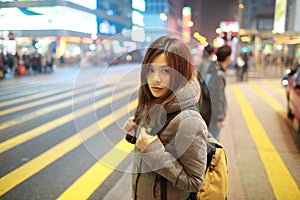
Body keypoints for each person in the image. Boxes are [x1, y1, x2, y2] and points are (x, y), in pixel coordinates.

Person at [123, 36, 208, 200]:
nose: (155, 79)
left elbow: (194, 182)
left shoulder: (188, 120)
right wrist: (138, 134)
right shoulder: (154, 104)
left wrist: (152, 150)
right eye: (151, 70)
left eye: (165, 71)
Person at [204, 45, 232, 140]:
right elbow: (217, 97)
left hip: (210, 114)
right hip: (213, 117)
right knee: (213, 143)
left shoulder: (214, 70)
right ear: (227, 58)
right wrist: (220, 117)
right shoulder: (218, 75)